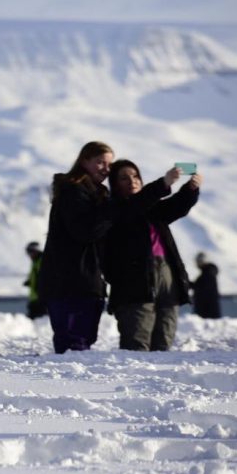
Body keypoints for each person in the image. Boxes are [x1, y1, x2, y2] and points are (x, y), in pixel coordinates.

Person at [38, 141, 176, 354]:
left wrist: (170, 187)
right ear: (84, 161)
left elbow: (131, 208)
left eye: (109, 164)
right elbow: (86, 231)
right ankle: (68, 387)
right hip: (68, 281)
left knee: (83, 341)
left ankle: (74, 385)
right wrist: (113, 206)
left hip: (88, 281)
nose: (106, 168)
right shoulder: (73, 192)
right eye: (99, 162)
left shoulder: (96, 194)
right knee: (73, 346)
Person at [104, 160, 201, 351]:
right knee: (137, 344)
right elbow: (132, 208)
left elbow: (175, 206)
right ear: (114, 185)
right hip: (133, 285)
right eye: (124, 178)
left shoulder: (151, 208)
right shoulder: (113, 209)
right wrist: (163, 184)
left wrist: (190, 189)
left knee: (164, 342)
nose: (132, 180)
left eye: (135, 176)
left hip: (167, 277)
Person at [192, 252, 222, 319]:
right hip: (207, 312)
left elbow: (203, 291)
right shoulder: (207, 274)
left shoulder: (208, 274)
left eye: (198, 261)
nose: (197, 263)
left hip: (207, 313)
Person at [24, 241, 46, 319]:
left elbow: (44, 277)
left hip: (40, 299)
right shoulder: (35, 262)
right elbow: (35, 276)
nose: (29, 255)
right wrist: (29, 282)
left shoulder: (42, 261)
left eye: (30, 252)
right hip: (35, 298)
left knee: (39, 319)